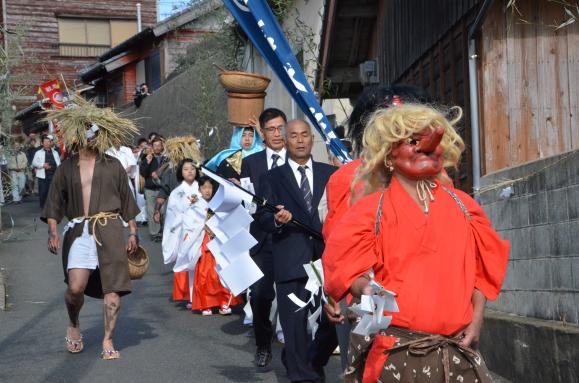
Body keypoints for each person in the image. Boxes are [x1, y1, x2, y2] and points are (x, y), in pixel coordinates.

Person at [323, 103, 510, 383]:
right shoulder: (370, 211)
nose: (425, 146)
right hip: (396, 354)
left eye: (432, 140)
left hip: (456, 352)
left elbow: (481, 274)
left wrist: (477, 320)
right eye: (412, 141)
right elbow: (348, 271)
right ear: (389, 156)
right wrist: (368, 287)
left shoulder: (465, 207)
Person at [321, 84, 433, 371]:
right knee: (363, 369)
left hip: (424, 301)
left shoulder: (436, 177)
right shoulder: (346, 179)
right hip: (365, 299)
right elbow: (336, 246)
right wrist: (336, 293)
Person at [41, 100, 140, 361]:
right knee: (75, 287)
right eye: (87, 131)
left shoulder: (113, 165)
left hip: (109, 230)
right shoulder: (67, 167)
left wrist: (132, 232)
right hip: (79, 232)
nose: (91, 137)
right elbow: (54, 201)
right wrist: (53, 231)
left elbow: (127, 199)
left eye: (95, 132)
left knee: (113, 290)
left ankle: (108, 338)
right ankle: (74, 323)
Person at [256, 119, 338, 382]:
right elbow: (262, 217)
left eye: (305, 135)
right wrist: (277, 222)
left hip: (326, 261)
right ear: (284, 139)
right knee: (294, 324)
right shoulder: (272, 178)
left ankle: (312, 358)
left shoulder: (331, 174)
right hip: (291, 261)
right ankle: (302, 375)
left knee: (333, 322)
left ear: (312, 139)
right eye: (294, 135)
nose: (300, 140)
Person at [240, 108, 287, 368]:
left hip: (291, 238)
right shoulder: (252, 162)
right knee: (259, 296)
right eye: (271, 129)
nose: (277, 134)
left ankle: (295, 346)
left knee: (294, 294)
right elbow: (248, 203)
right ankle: (263, 344)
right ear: (262, 132)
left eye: (281, 128)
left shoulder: (297, 157)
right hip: (261, 238)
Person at [191, 175, 243, 315]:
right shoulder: (195, 205)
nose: (207, 190)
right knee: (204, 274)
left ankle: (224, 302)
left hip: (219, 241)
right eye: (204, 188)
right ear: (199, 189)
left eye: (209, 187)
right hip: (204, 241)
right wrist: (204, 227)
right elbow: (191, 224)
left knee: (221, 273)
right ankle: (205, 304)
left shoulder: (219, 204)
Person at [162, 159, 207, 308]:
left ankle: (203, 295)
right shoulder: (176, 192)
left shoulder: (202, 188)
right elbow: (172, 215)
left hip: (202, 229)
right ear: (180, 172)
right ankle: (191, 295)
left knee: (203, 263)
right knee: (189, 262)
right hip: (186, 231)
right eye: (186, 169)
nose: (190, 172)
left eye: (192, 169)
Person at [139, 136, 168, 241]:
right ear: (152, 146)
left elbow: (169, 173)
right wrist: (147, 162)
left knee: (164, 211)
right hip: (150, 189)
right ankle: (155, 233)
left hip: (163, 189)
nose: (157, 147)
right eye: (155, 145)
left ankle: (164, 231)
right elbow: (143, 173)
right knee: (151, 211)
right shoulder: (146, 157)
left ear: (162, 146)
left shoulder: (166, 159)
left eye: (159, 145)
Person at [32, 134, 61, 208]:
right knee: (43, 192)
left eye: (48, 141)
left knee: (53, 192)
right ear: (42, 143)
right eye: (45, 142)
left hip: (54, 175)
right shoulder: (38, 153)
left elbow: (59, 163)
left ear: (51, 143)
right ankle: (44, 207)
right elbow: (34, 163)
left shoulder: (55, 152)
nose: (47, 143)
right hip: (43, 175)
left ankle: (52, 207)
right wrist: (43, 165)